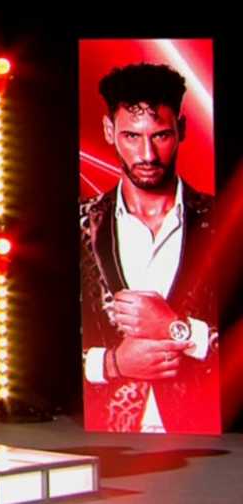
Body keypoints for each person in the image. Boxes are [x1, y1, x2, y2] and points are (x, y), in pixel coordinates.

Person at [81, 63, 219, 433]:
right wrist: (112, 363)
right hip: (109, 437)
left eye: (160, 136)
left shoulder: (222, 223)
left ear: (181, 130)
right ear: (109, 131)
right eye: (131, 136)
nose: (147, 155)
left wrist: (177, 329)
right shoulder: (79, 226)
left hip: (207, 438)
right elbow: (37, 353)